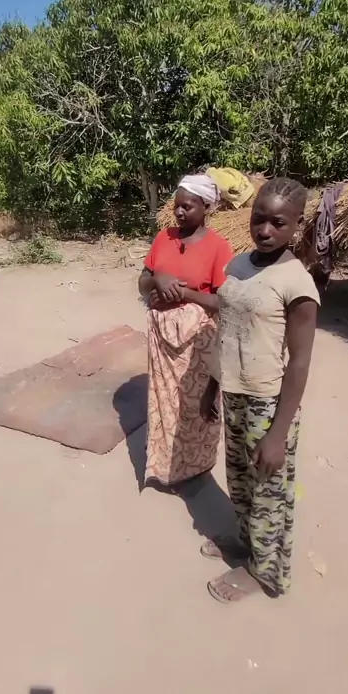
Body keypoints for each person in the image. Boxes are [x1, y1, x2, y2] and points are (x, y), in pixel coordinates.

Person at [200, 177, 319, 602]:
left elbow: (299, 363)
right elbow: (227, 330)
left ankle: (264, 572)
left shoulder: (297, 283)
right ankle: (247, 544)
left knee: (268, 490)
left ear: (297, 224)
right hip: (234, 392)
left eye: (278, 223)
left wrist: (277, 434)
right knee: (239, 480)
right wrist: (212, 386)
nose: (265, 230)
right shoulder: (237, 266)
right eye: (259, 219)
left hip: (267, 404)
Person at [139, 174, 234, 491]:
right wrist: (157, 280)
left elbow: (223, 301)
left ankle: (196, 466)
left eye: (188, 207)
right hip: (162, 338)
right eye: (177, 206)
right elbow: (142, 282)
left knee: (194, 407)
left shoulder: (219, 248)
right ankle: (165, 467)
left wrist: (184, 294)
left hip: (198, 341)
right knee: (164, 404)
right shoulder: (163, 238)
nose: (179, 212)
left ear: (206, 207)